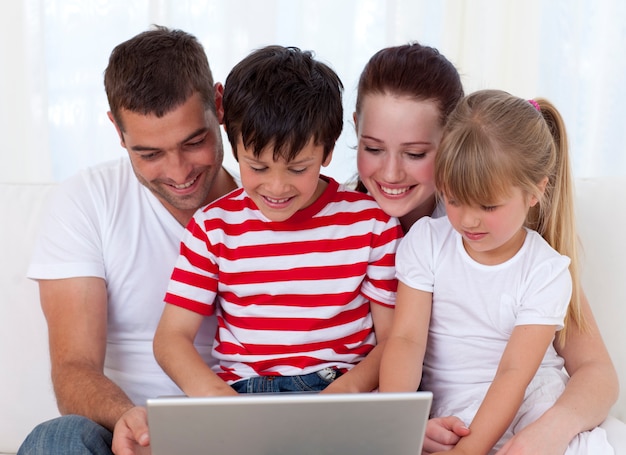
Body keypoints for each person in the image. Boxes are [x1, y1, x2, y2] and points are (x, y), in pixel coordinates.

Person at [353, 44, 620, 454]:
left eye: (415, 153)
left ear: (447, 146)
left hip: (522, 414)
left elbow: (588, 371)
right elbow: (403, 344)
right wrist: (402, 425)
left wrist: (552, 428)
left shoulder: (526, 248)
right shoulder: (392, 234)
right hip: (445, 414)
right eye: (372, 148)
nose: (391, 172)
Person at [18, 26, 238, 455]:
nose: (178, 172)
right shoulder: (87, 201)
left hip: (244, 423)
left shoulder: (274, 197)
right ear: (118, 133)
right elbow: (73, 368)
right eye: (149, 154)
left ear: (218, 104)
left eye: (194, 142)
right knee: (58, 438)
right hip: (130, 433)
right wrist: (128, 419)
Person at [153, 45, 402, 396]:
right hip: (242, 393)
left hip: (336, 387)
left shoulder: (372, 225)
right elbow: (171, 338)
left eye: (298, 168)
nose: (276, 187)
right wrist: (217, 398)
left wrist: (345, 395)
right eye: (257, 167)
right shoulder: (212, 227)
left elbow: (394, 340)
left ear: (328, 151)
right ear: (234, 146)